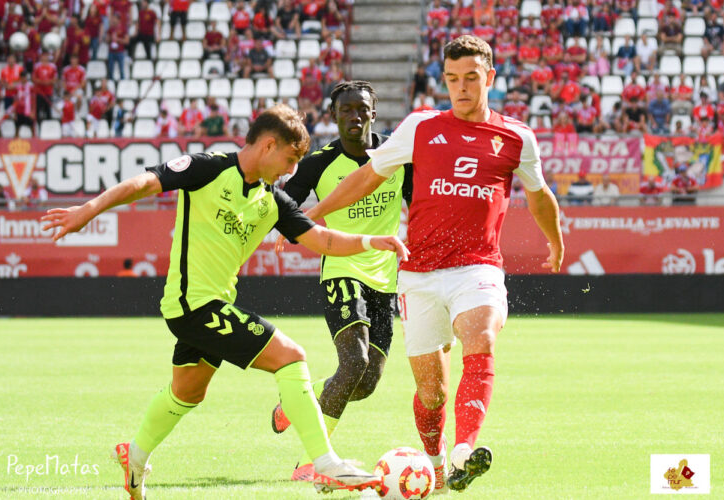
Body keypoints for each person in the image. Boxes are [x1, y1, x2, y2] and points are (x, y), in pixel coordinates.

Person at [41, 105, 410, 500]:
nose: (290, 171)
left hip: (209, 306)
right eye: (290, 159)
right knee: (290, 357)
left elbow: (322, 239)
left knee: (187, 392)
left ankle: (135, 457)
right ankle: (325, 464)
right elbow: (144, 183)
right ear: (268, 145)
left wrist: (373, 241)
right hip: (194, 305)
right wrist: (89, 209)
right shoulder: (207, 168)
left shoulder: (272, 200)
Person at [300, 35, 564, 493]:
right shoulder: (420, 127)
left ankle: (464, 450)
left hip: (478, 267)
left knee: (481, 338)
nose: (461, 87)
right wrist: (315, 213)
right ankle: (438, 467)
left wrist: (555, 243)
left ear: (490, 78)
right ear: (444, 80)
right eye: (453, 79)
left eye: (472, 78)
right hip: (419, 275)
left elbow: (540, 197)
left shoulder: (517, 137)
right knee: (432, 392)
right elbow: (367, 176)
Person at [269, 81, 412, 483]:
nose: (354, 116)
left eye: (361, 108)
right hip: (342, 268)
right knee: (354, 362)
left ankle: (297, 402)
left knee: (364, 383)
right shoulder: (319, 163)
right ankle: (313, 464)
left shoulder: (397, 157)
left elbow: (418, 204)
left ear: (373, 113)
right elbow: (286, 204)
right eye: (345, 109)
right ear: (333, 116)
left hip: (385, 279)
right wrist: (290, 228)